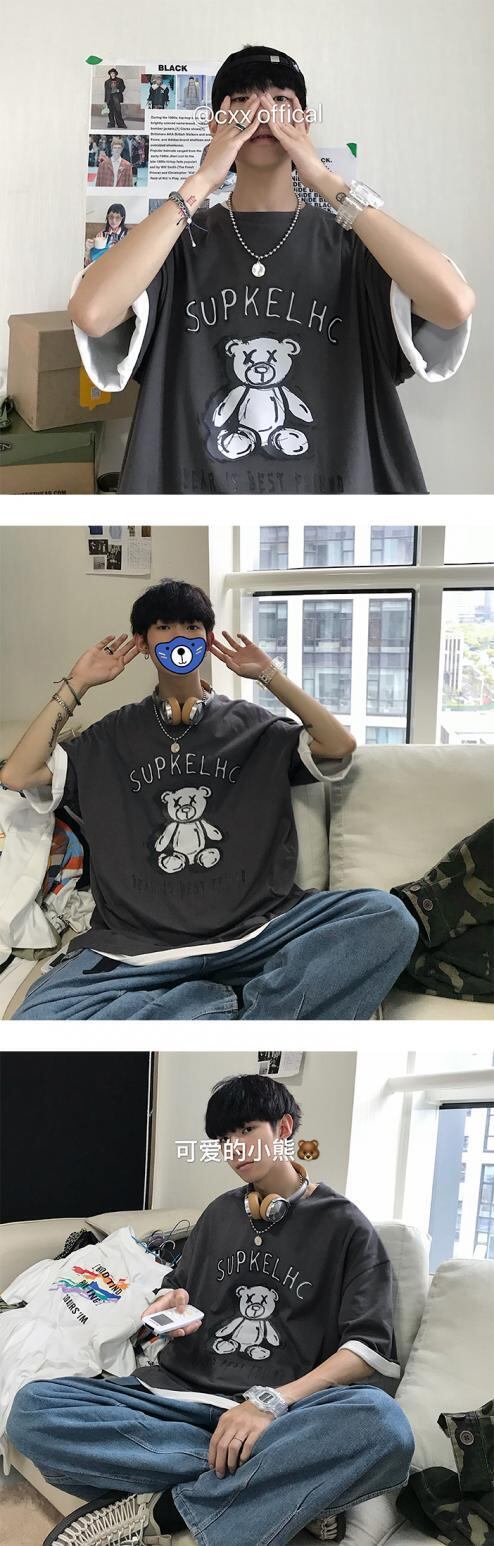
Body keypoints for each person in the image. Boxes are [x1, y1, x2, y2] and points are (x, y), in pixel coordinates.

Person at [6, 1074, 415, 1546]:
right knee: (32, 1410)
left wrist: (270, 1402)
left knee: (383, 1424)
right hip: (174, 1398)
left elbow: (366, 1350)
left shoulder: (346, 1227)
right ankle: (286, 1482)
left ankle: (165, 1510)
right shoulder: (219, 1213)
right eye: (224, 1139)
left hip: (277, 1414)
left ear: (284, 1128)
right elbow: (178, 1289)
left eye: (246, 1130)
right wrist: (171, 1303)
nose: (234, 1149)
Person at [2, 577, 419, 1021]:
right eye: (165, 627)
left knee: (388, 918)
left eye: (192, 627)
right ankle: (222, 1007)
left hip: (259, 933)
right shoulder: (110, 737)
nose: (180, 638)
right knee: (35, 1025)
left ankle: (206, 1012)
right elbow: (17, 774)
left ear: (207, 639)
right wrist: (78, 683)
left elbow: (338, 746)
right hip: (139, 950)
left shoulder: (254, 726)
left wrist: (268, 675)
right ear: (143, 643)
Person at [68, 43, 475, 496]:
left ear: (304, 123)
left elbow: (453, 303)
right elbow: (92, 312)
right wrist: (203, 179)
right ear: (215, 125)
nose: (262, 114)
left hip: (338, 503)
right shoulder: (178, 243)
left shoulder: (354, 245)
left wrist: (325, 180)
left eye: (280, 100)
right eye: (242, 101)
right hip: (195, 504)